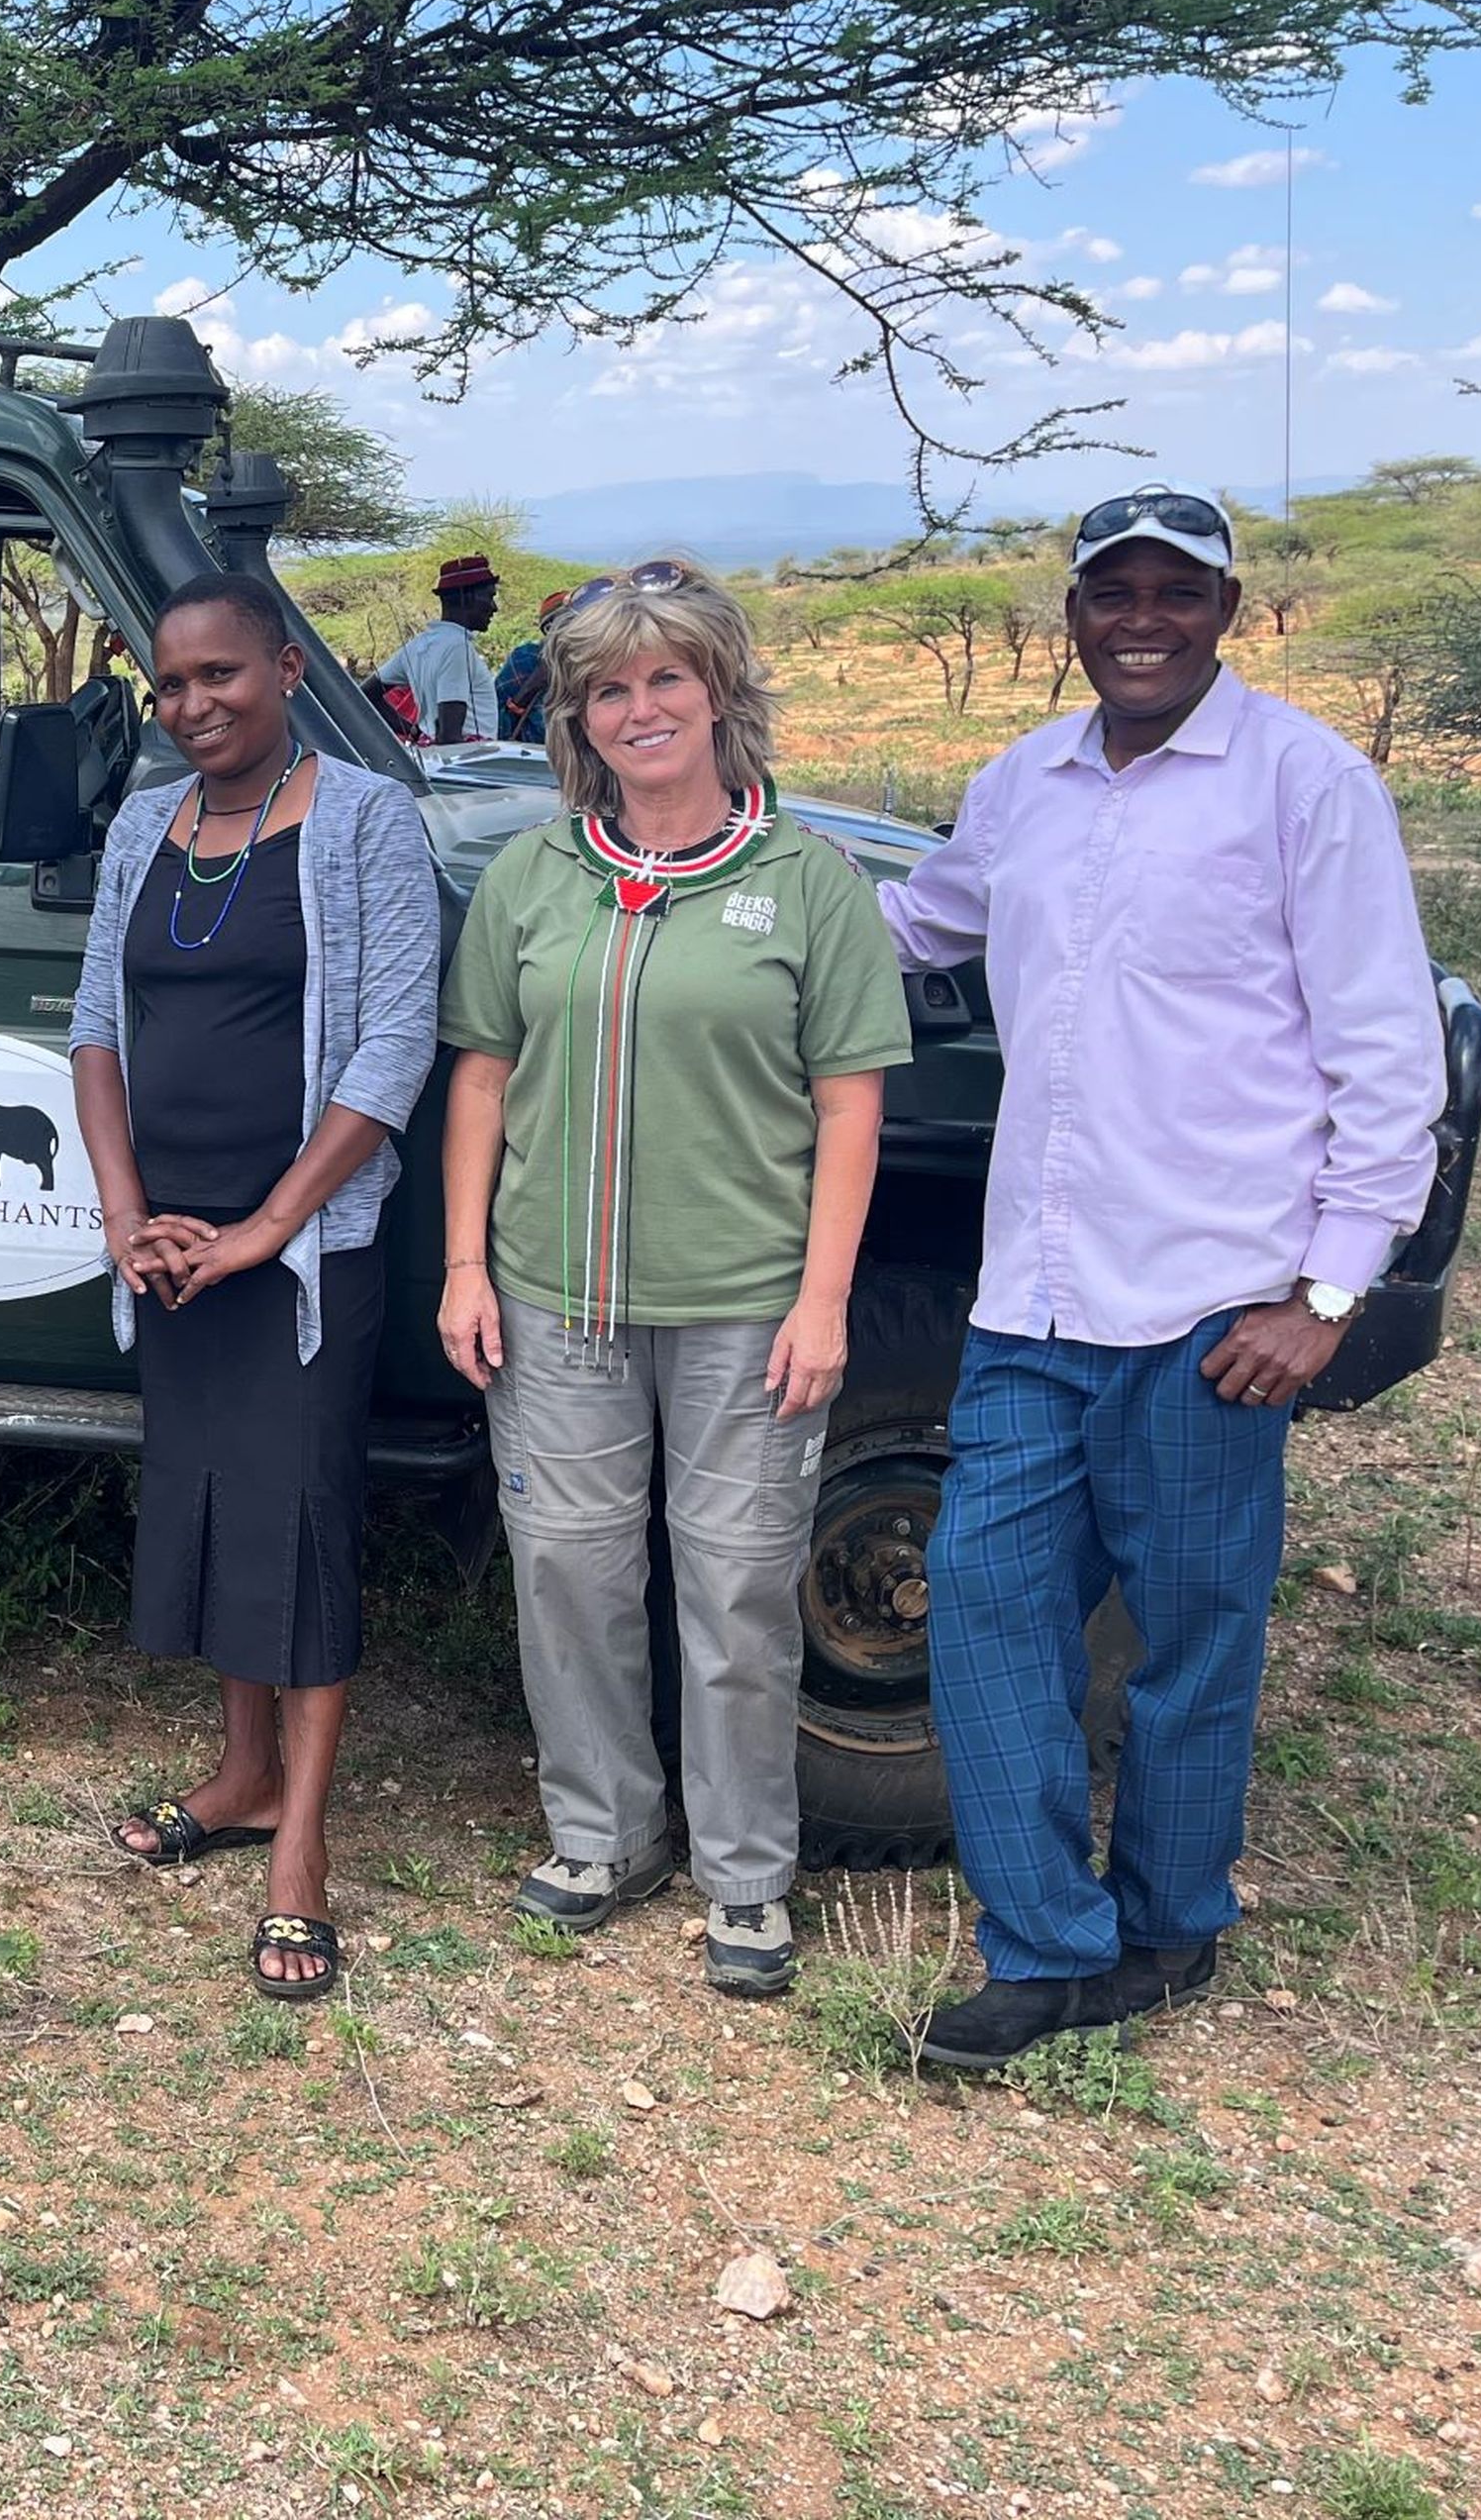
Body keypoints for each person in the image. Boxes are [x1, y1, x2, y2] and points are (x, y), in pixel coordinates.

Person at [878, 485, 1440, 2067]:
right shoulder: (1024, 784)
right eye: (1111, 593)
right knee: (985, 1610)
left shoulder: (1308, 785)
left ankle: (1173, 1926)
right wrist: (722, 886)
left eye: (1175, 592)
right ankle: (1048, 1950)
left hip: (1213, 1309)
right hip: (1032, 1299)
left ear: (1227, 611)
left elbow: (1388, 1054)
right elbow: (915, 924)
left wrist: (1325, 1297)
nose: (1142, 621)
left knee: (1192, 1641)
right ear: (1071, 614)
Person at [434, 559, 911, 1998]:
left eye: (666, 679)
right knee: (567, 1577)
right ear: (577, 717)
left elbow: (850, 1107)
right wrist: (465, 1264)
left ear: (718, 695)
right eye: (607, 689)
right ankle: (603, 1836)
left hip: (747, 1309)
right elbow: (481, 1079)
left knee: (741, 1593)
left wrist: (823, 1300)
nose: (639, 709)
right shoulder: (535, 876)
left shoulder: (806, 883)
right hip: (553, 1302)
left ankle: (747, 1876)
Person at [70, 573, 441, 2001]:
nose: (193, 705)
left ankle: (301, 1848)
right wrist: (128, 1217)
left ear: (286, 669)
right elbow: (97, 1027)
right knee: (214, 1499)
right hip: (171, 1242)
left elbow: (395, 1043)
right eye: (170, 684)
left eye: (220, 674)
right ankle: (240, 1775)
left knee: (301, 1516)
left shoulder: (364, 821)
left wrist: (270, 1228)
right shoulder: (143, 826)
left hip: (302, 1248)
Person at [370, 553, 503, 743]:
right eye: (489, 597)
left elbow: (363, 694)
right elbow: (449, 736)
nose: (494, 607)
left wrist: (413, 731)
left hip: (431, 753)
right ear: (465, 597)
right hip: (469, 756)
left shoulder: (418, 645)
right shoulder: (457, 647)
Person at [492, 591, 560, 745]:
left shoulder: (598, 662)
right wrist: (528, 689)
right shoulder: (527, 657)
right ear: (550, 628)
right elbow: (495, 723)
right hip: (534, 753)